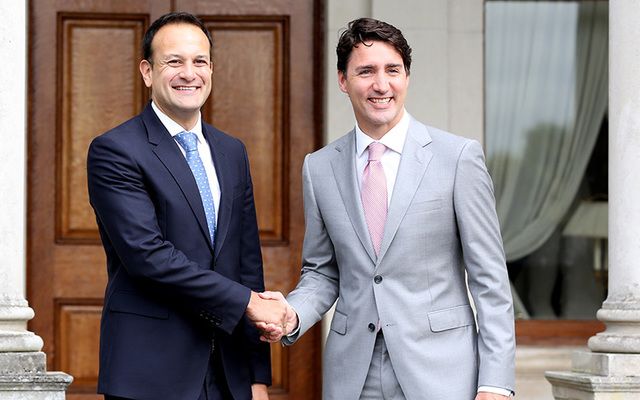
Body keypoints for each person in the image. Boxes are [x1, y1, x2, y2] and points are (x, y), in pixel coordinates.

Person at [260, 17, 515, 400]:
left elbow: (490, 281)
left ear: (406, 77)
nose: (381, 84)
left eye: (392, 70)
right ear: (343, 81)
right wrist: (292, 314)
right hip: (352, 375)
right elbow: (322, 272)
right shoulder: (319, 167)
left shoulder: (458, 158)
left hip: (442, 373)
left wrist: (495, 384)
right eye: (366, 71)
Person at [87, 12, 287, 400]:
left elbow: (247, 263)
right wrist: (247, 303)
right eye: (173, 61)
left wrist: (257, 375)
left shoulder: (232, 152)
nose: (189, 73)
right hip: (149, 373)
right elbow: (147, 256)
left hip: (227, 374)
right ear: (147, 71)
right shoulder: (115, 150)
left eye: (199, 62)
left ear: (211, 69)